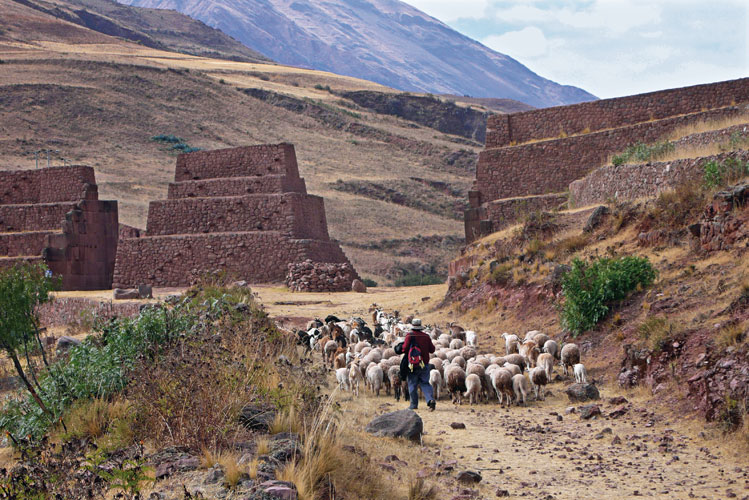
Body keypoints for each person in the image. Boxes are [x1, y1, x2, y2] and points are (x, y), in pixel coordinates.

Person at [401, 318, 436, 411]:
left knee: (412, 383)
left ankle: (413, 405)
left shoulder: (409, 336)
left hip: (412, 364)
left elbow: (404, 349)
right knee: (425, 382)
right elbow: (432, 349)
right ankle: (430, 400)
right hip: (424, 364)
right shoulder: (426, 336)